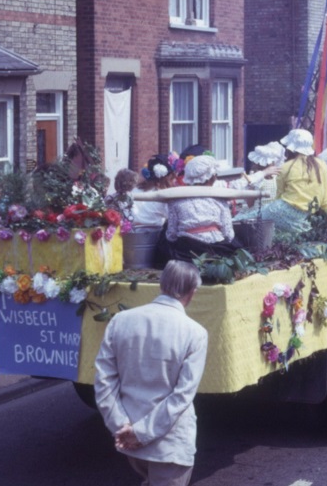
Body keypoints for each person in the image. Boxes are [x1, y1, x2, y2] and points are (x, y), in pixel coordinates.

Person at [95, 260, 207, 486]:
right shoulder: (195, 333)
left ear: (161, 285)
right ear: (192, 293)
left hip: (130, 441)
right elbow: (181, 396)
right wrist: (141, 432)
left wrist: (121, 426)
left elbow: (104, 380)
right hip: (169, 445)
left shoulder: (121, 320)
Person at [162, 155, 243, 264]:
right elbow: (228, 234)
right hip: (215, 250)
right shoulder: (220, 199)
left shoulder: (176, 200)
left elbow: (171, 234)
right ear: (211, 177)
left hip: (186, 252)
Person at [260, 129, 327, 234]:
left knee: (250, 217)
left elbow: (279, 195)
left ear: (291, 148)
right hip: (309, 213)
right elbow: (326, 195)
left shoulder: (286, 167)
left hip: (284, 210)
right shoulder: (322, 165)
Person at [131, 155, 177, 230]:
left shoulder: (135, 190)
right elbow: (172, 217)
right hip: (154, 236)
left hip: (133, 234)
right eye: (172, 178)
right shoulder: (163, 195)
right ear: (167, 178)